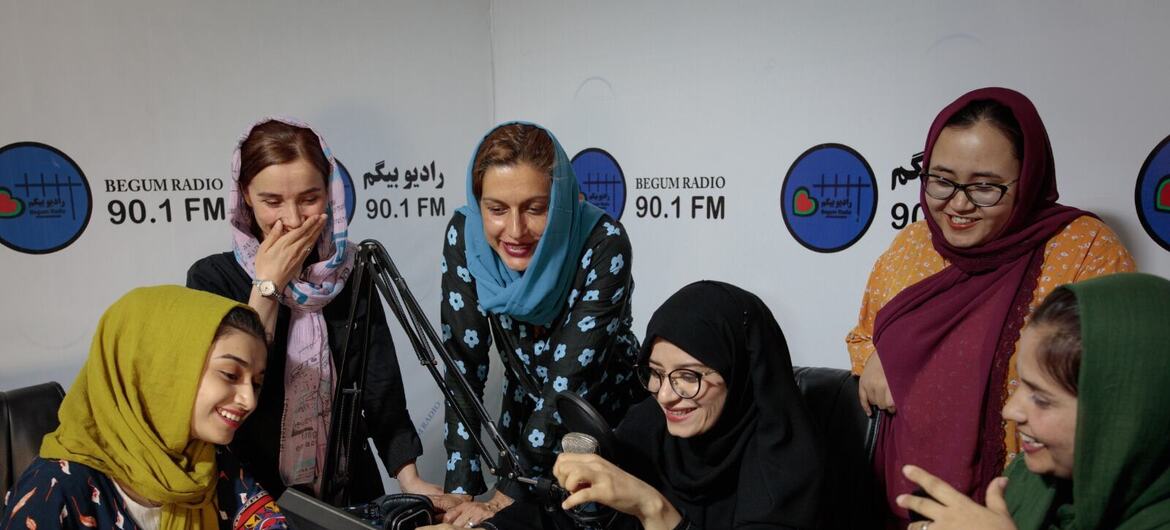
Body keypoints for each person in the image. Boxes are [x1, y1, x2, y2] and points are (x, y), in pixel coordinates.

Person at [844, 87, 1135, 525]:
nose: (958, 204)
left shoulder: (1085, 249)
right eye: (942, 180)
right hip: (904, 498)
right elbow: (865, 334)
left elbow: (1112, 391)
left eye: (985, 187)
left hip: (1026, 511)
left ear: (1028, 178)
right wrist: (878, 354)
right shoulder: (912, 245)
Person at [187, 118, 441, 504]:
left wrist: (411, 480)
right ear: (246, 196)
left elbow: (381, 385)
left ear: (331, 193)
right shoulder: (212, 278)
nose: (292, 220)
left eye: (309, 198)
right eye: (272, 201)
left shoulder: (351, 272)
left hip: (348, 490)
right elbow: (235, 386)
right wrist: (267, 286)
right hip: (250, 493)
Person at [434, 281, 824, 530]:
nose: (666, 395)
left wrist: (652, 507)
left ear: (738, 373)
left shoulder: (788, 467)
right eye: (655, 373)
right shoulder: (651, 423)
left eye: (688, 376)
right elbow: (568, 517)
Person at [438, 122, 641, 526]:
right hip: (523, 422)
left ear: (562, 202)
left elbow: (569, 383)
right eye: (496, 209)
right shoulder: (466, 235)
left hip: (601, 425)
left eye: (535, 208)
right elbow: (463, 366)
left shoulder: (604, 242)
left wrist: (505, 496)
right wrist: (459, 491)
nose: (515, 231)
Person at [896, 272, 1170, 530]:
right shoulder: (1030, 482)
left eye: (1041, 399)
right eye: (1020, 384)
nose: (1010, 411)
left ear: (1126, 416)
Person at [0, 285, 286, 530]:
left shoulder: (207, 462)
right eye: (230, 374)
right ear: (161, 371)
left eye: (256, 383)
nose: (249, 400)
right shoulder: (53, 490)